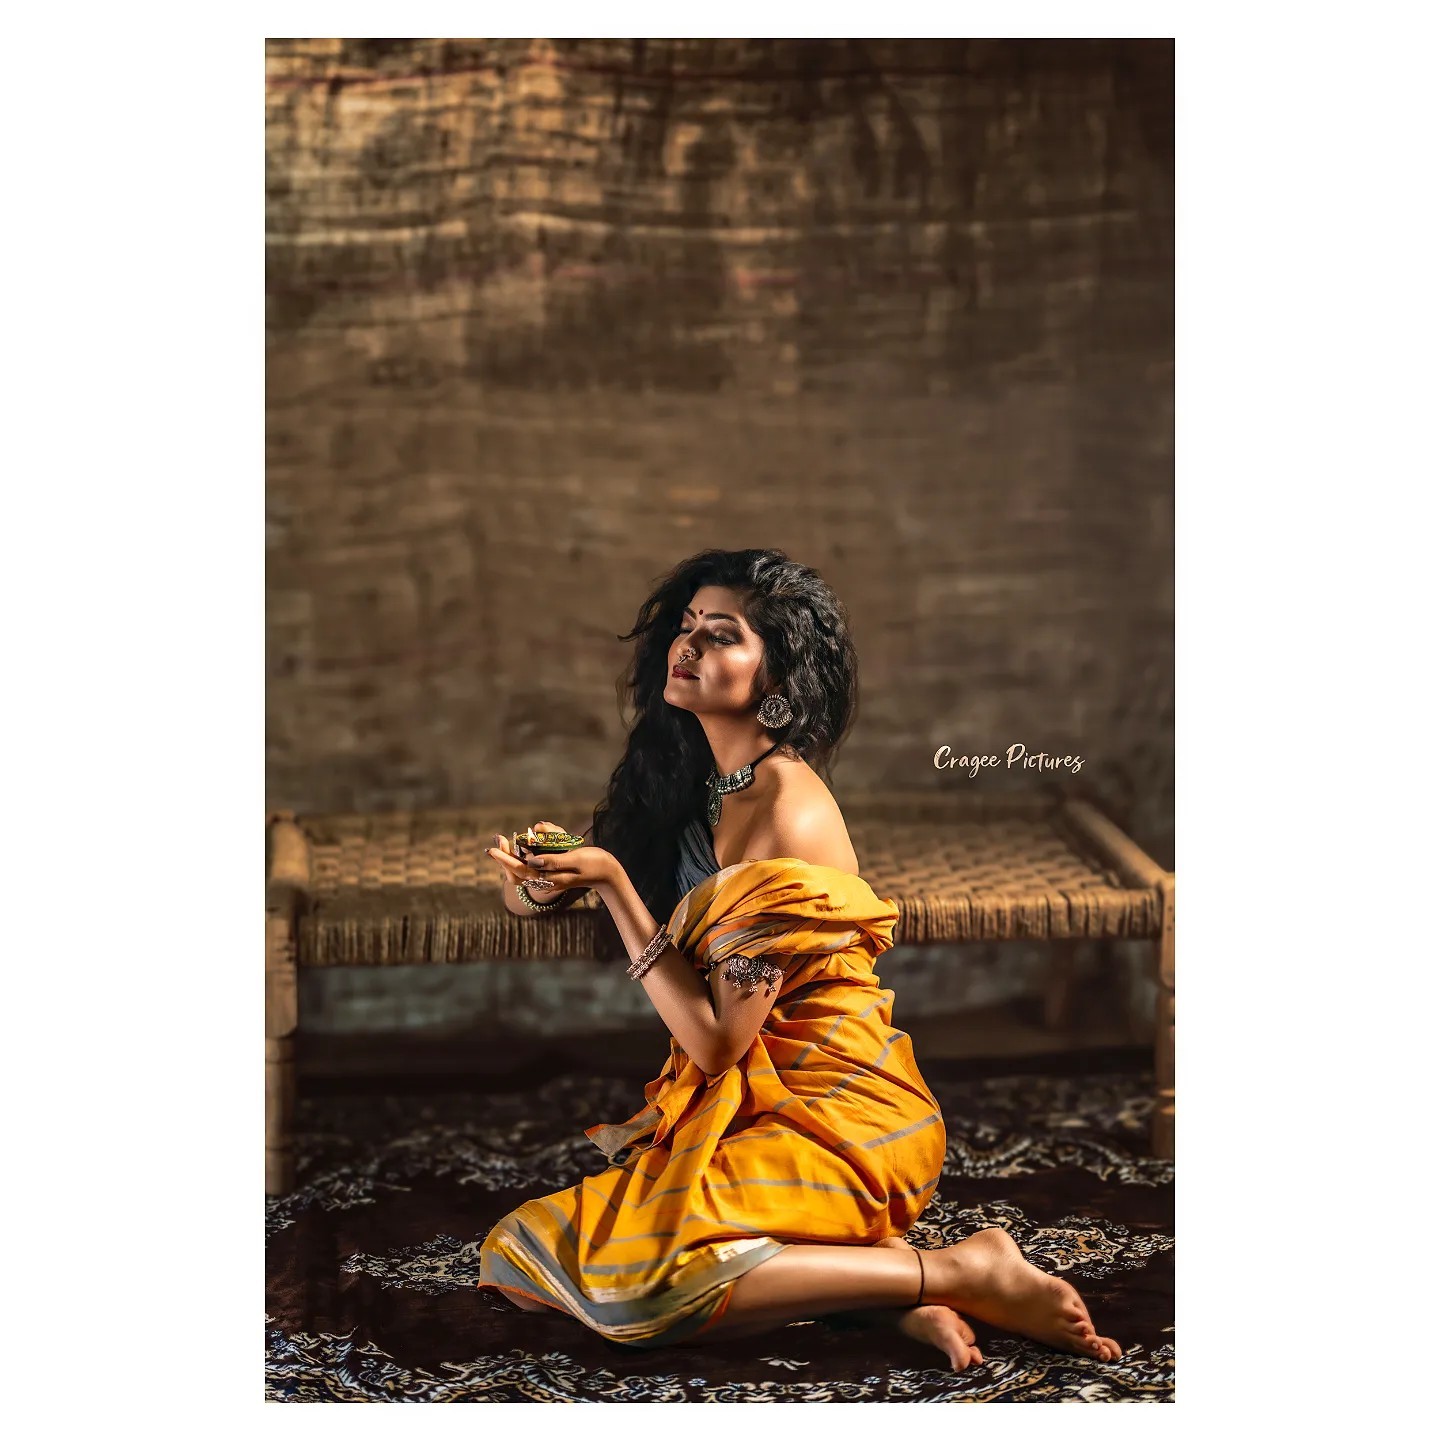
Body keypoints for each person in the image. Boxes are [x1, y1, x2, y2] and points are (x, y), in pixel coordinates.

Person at [477, 547, 1119, 1368]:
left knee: (640, 1287)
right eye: (687, 627)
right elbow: (550, 889)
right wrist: (541, 880)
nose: (687, 646)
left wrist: (608, 883)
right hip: (757, 1110)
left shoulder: (788, 812)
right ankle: (886, 1299)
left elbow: (717, 1044)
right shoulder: (693, 783)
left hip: (844, 1116)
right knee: (521, 1258)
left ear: (776, 678)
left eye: (721, 635)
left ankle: (958, 1269)